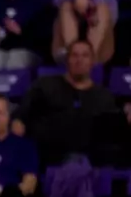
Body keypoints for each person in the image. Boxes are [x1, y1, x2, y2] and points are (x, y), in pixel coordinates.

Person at [14, 38, 125, 169]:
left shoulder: (104, 96)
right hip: (50, 161)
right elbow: (19, 120)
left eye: (85, 56)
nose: (79, 60)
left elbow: (114, 136)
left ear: (92, 61)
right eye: (74, 55)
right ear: (67, 60)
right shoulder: (44, 86)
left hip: (92, 165)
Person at [52, 0, 117, 66]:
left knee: (102, 9)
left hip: (100, 52)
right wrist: (77, 0)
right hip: (64, 50)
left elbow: (110, 26)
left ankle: (88, 58)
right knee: (66, 6)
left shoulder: (109, 1)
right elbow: (56, 1)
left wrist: (97, 2)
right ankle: (73, 55)